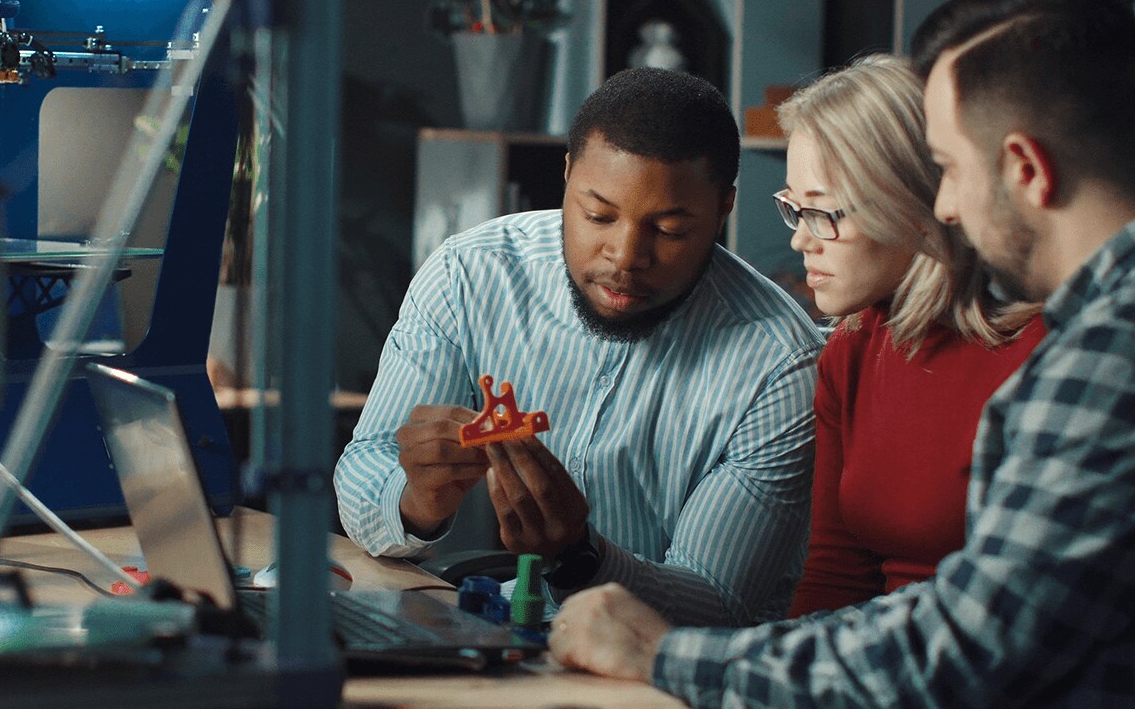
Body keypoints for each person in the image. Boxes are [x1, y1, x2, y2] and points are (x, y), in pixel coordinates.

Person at [548, 0, 1135, 707]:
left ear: (1026, 169)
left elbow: (965, 652)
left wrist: (666, 655)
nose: (946, 208)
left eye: (950, 171)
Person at [334, 68, 824, 627]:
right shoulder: (468, 274)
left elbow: (718, 602)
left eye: (668, 230)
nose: (625, 256)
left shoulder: (780, 365)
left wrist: (581, 557)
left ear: (723, 210)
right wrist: (414, 501)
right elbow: (364, 468)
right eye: (598, 215)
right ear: (566, 175)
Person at [773, 54, 1045, 617]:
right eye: (793, 209)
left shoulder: (1037, 354)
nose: (802, 241)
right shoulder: (850, 351)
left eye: (824, 214)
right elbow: (834, 575)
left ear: (912, 204)